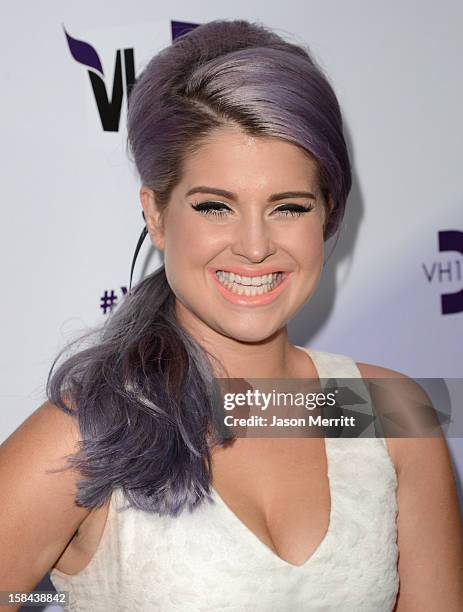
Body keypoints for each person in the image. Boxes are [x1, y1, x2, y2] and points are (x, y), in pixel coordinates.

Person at [1, 18, 462, 612]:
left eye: (288, 207)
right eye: (215, 206)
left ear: (328, 217)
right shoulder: (93, 430)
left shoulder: (389, 411)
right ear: (157, 215)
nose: (253, 245)